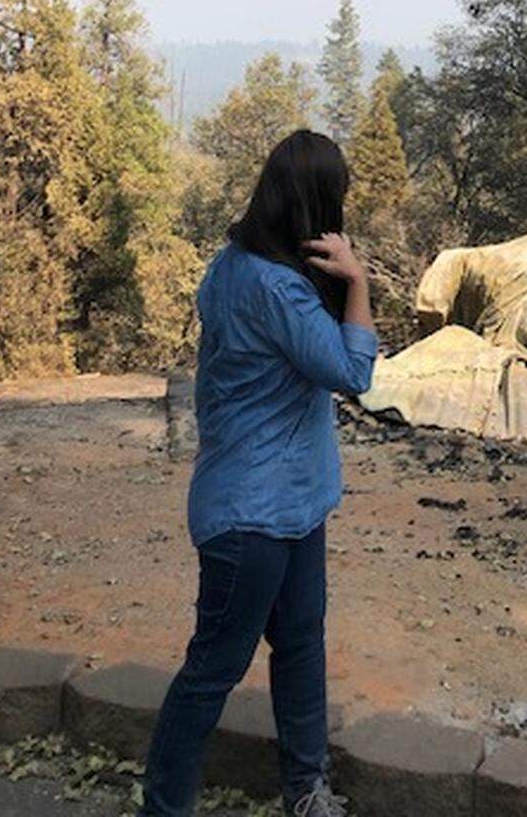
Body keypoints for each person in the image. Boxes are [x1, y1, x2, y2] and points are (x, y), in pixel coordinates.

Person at [140, 130, 378, 817]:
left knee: (301, 644)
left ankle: (306, 791)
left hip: (292, 503)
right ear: (317, 204)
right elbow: (352, 372)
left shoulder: (232, 264)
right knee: (212, 670)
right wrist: (356, 279)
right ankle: (162, 809)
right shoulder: (279, 290)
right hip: (251, 515)